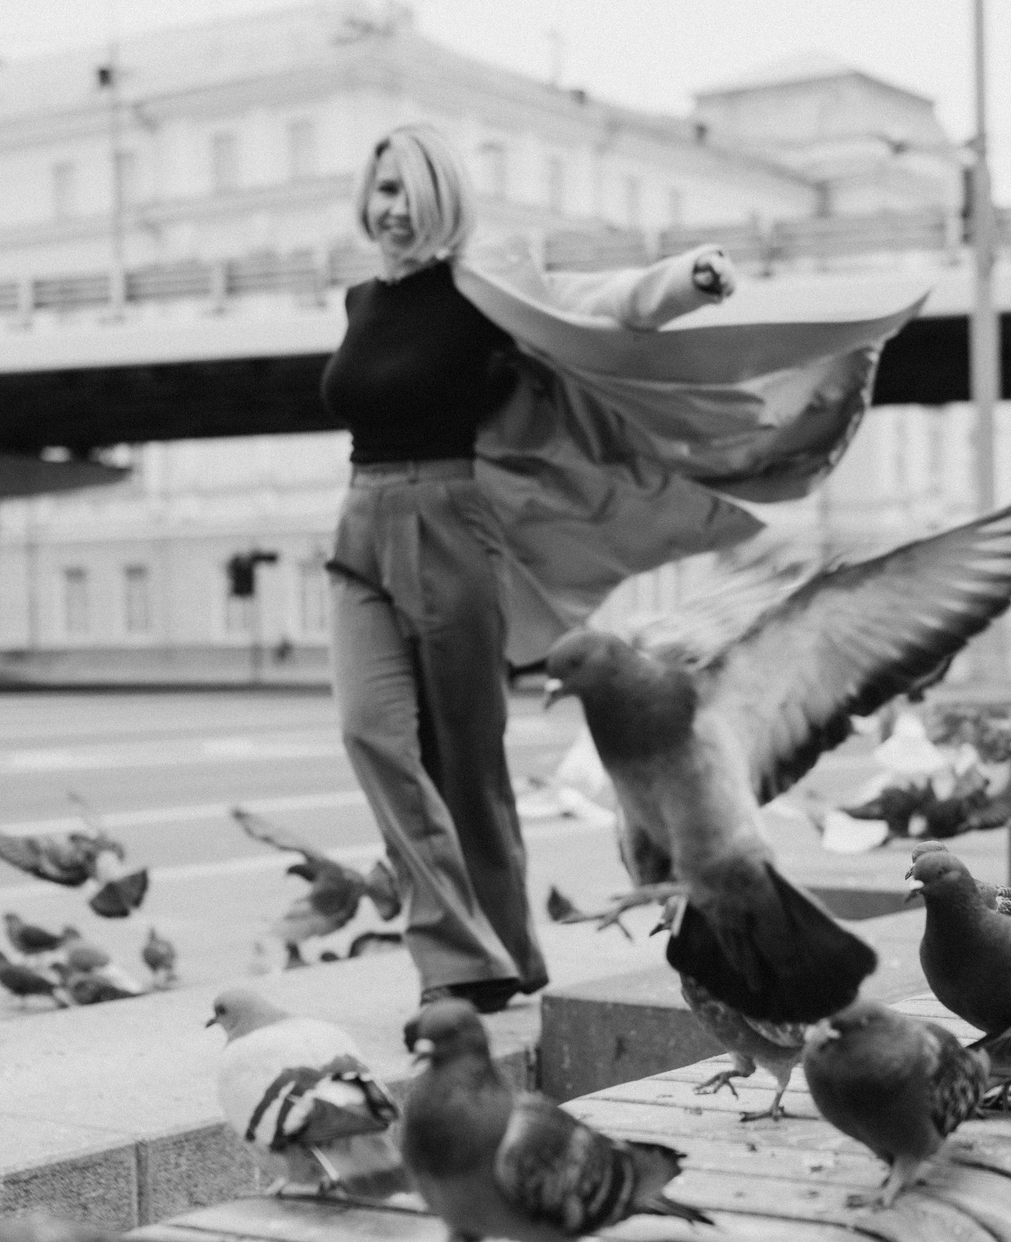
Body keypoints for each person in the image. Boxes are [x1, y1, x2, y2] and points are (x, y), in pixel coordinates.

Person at [320, 124, 746, 1012]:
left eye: (408, 190)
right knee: (372, 733)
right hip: (359, 529)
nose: (391, 208)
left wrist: (683, 281)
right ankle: (454, 953)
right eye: (381, 189)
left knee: (463, 759)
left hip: (450, 524)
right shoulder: (360, 301)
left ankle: (500, 951)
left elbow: (593, 303)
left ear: (443, 198)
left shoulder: (481, 287)